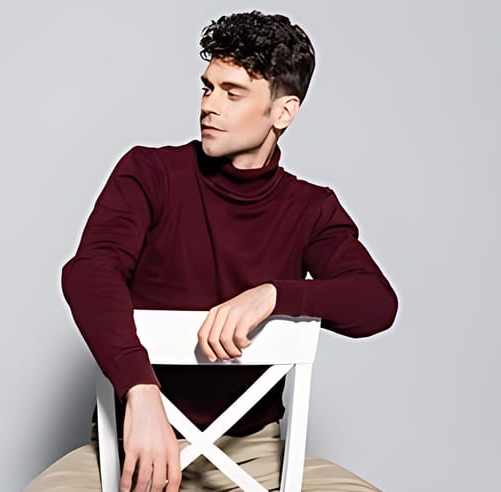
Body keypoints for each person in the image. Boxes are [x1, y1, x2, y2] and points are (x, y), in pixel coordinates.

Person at [25, 10, 397, 492]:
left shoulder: (312, 209)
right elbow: (90, 272)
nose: (209, 106)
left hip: (255, 452)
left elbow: (375, 303)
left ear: (283, 112)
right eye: (208, 87)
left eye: (233, 93)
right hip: (137, 437)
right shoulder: (149, 173)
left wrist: (274, 295)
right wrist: (140, 392)